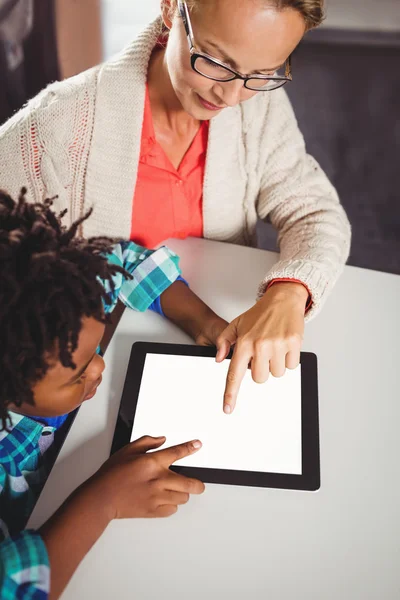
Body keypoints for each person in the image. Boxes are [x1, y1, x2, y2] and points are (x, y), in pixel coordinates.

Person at [0, 0, 351, 413]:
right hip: (82, 386)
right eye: (216, 61)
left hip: (208, 360)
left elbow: (315, 211)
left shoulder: (259, 106)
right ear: (170, 8)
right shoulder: (53, 128)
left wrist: (291, 292)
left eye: (262, 73)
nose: (232, 95)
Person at [0, 188, 229, 599]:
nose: (99, 366)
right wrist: (103, 500)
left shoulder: (60, 292)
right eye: (77, 376)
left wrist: (204, 322)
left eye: (96, 348)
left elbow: (124, 261)